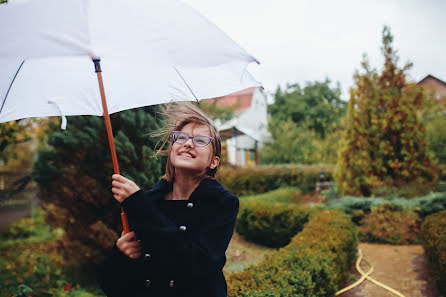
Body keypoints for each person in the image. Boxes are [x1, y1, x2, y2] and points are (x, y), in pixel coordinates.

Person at [97, 102, 239, 297]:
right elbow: (110, 286)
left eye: (200, 140)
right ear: (172, 149)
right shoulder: (149, 201)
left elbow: (197, 267)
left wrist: (138, 205)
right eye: (180, 138)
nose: (187, 143)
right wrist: (121, 254)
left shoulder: (222, 204)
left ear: (213, 161)